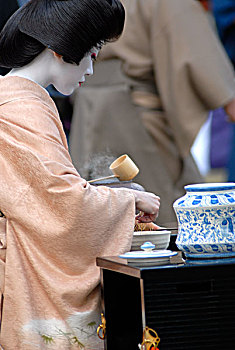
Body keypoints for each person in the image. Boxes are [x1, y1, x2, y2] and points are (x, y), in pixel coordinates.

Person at [0, 1, 161, 349]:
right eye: (91, 53)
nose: (91, 67)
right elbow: (63, 203)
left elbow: (44, 192)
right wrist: (129, 198)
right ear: (60, 51)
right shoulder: (22, 107)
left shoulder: (21, 100)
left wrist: (118, 193)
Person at [69, 0, 235, 227]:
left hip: (86, 109)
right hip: (136, 118)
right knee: (159, 218)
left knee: (93, 216)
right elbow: (195, 48)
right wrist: (228, 98)